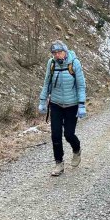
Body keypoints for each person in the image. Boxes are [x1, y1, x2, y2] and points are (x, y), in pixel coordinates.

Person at [38, 40, 87, 176]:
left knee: (69, 134)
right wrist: (42, 101)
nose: (57, 55)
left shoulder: (74, 63)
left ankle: (76, 149)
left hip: (72, 105)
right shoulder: (51, 63)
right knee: (55, 135)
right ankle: (59, 163)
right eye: (54, 53)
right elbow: (47, 83)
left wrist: (82, 105)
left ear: (65, 51)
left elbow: (81, 86)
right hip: (56, 104)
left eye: (59, 52)